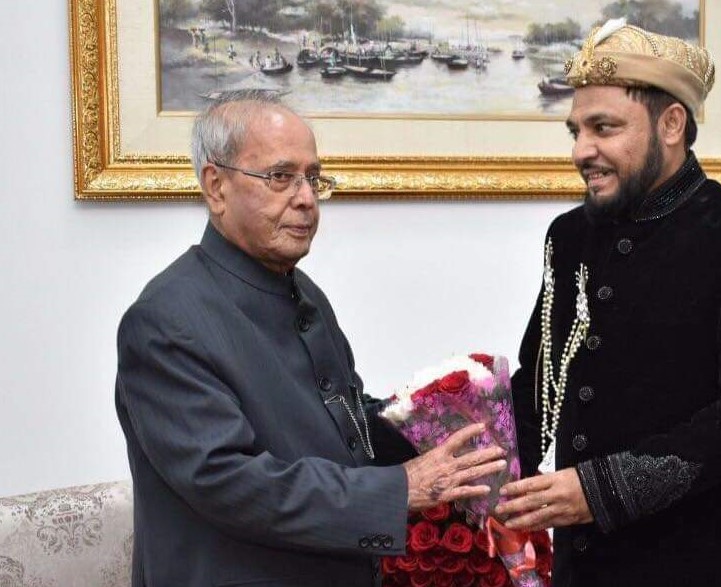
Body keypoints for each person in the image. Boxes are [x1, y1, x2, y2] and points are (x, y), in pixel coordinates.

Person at [115, 89, 507, 587]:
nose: (305, 197)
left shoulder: (303, 292)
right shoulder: (166, 320)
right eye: (281, 177)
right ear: (215, 186)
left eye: (313, 178)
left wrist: (436, 410)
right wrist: (400, 488)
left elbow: (343, 424)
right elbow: (228, 481)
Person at [495, 19, 721, 587]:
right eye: (575, 131)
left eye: (603, 128)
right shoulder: (569, 238)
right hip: (586, 569)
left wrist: (597, 491)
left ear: (671, 123)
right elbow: (540, 386)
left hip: (710, 567)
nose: (581, 150)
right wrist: (445, 450)